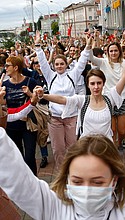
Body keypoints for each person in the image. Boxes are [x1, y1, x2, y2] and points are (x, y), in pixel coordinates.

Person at [1, 95, 125, 219]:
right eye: (77, 181)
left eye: (98, 182)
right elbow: (18, 181)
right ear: (66, 179)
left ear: (114, 180)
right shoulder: (53, 208)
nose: (87, 190)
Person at [34, 38, 125, 141]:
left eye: (99, 83)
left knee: (121, 132)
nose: (96, 87)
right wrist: (44, 95)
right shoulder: (82, 100)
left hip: (105, 148)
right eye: (92, 83)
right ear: (88, 85)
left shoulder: (110, 98)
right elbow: (62, 99)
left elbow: (124, 76)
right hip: (88, 148)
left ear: (103, 84)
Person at [34, 30, 92, 170]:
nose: (59, 66)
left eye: (62, 64)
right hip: (55, 118)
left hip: (71, 117)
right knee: (58, 149)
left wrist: (88, 46)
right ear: (53, 65)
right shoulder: (50, 76)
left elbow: (82, 61)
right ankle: (62, 173)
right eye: (57, 64)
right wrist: (37, 45)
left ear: (66, 64)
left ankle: (73, 170)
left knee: (72, 147)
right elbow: (42, 62)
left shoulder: (73, 75)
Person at [2, 56, 38, 175]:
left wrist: (29, 93)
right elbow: (4, 106)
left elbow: (40, 100)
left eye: (8, 66)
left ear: (16, 67)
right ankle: (23, 183)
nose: (5, 68)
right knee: (18, 157)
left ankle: (34, 182)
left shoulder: (30, 82)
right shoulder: (5, 85)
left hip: (28, 124)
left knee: (29, 156)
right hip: (11, 125)